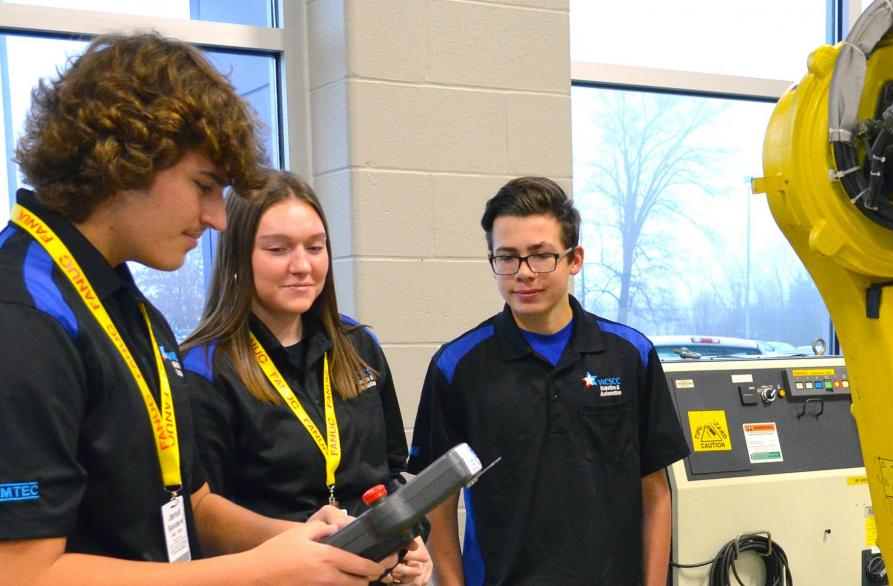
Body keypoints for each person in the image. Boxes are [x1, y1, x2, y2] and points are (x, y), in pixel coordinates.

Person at [0, 33, 388, 584]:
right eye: (204, 187)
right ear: (126, 159)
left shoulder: (128, 310)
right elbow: (23, 574)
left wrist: (310, 543)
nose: (217, 219)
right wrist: (259, 571)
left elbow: (191, 503)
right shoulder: (23, 315)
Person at [407, 177, 690, 585]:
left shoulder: (631, 355)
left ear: (574, 259)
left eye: (541, 256)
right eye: (507, 257)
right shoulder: (457, 367)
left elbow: (656, 492)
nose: (523, 274)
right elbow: (438, 504)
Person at [182, 170, 431, 585]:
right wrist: (310, 543)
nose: (302, 265)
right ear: (239, 257)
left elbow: (388, 473)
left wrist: (409, 540)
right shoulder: (204, 367)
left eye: (315, 248)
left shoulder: (359, 345)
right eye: (278, 249)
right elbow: (201, 512)